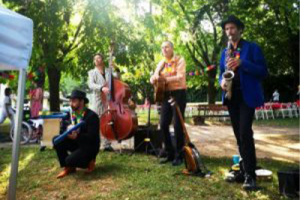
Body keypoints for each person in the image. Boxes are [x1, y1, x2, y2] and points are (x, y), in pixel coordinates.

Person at [219, 15, 268, 190]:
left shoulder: (252, 48)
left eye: (232, 28)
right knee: (239, 136)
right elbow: (220, 73)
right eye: (226, 29)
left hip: (247, 96)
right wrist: (222, 82)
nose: (229, 32)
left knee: (245, 133)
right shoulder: (225, 52)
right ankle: (244, 169)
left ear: (240, 29)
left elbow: (263, 71)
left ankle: (250, 176)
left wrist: (242, 63)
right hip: (232, 97)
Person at [150, 41, 187, 166]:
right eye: (162, 47)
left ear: (172, 48)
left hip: (178, 93)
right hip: (165, 94)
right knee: (163, 124)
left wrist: (164, 79)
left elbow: (180, 77)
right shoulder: (161, 63)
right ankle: (169, 153)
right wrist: (153, 79)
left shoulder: (179, 60)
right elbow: (155, 76)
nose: (164, 49)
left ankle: (180, 155)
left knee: (177, 125)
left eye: (166, 47)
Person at [53, 90, 100, 178]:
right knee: (56, 140)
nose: (71, 103)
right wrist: (66, 129)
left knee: (69, 160)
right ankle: (68, 168)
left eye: (74, 101)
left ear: (82, 101)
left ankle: (89, 161)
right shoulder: (69, 114)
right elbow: (62, 130)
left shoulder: (92, 116)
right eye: (70, 101)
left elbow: (92, 138)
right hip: (77, 143)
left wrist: (77, 136)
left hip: (89, 146)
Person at [88, 53, 114, 152]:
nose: (97, 60)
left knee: (108, 120)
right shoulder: (92, 72)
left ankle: (107, 144)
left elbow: (116, 79)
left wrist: (117, 69)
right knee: (97, 121)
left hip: (110, 99)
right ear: (94, 62)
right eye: (95, 59)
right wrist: (101, 88)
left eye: (99, 58)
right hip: (98, 99)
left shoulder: (108, 70)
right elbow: (91, 84)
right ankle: (96, 143)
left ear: (102, 60)